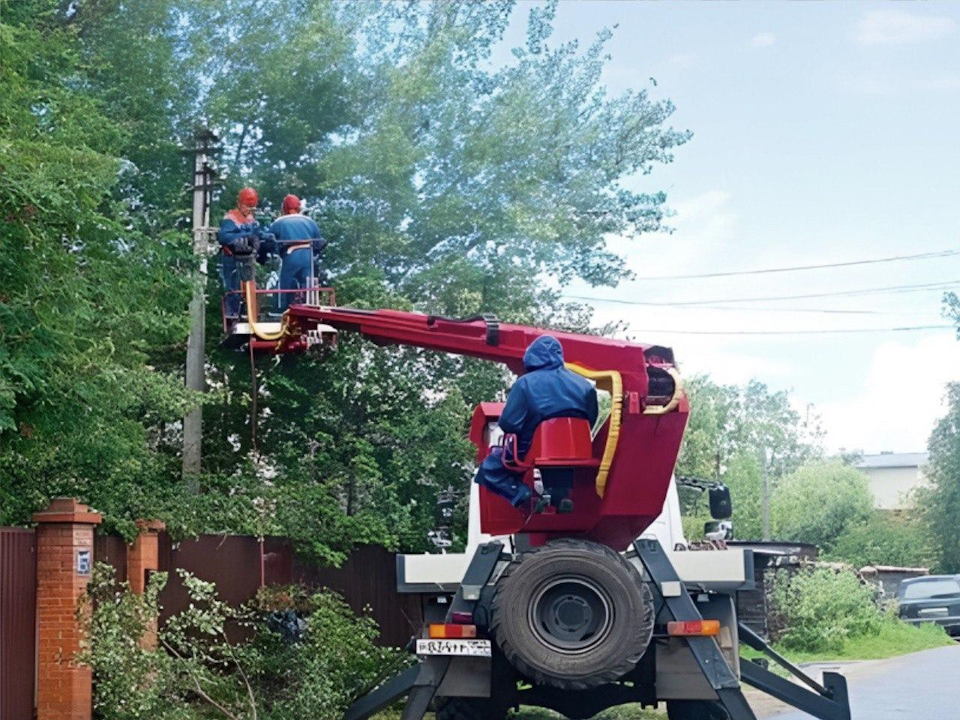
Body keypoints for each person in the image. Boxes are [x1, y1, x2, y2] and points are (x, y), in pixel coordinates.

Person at [475, 335, 599, 511]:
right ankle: (560, 499)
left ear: (532, 356)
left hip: (536, 447)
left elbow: (510, 423)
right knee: (560, 465)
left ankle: (524, 497)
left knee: (490, 468)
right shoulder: (585, 385)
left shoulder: (525, 383)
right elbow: (590, 418)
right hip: (578, 451)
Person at [266, 194, 327, 312]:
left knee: (285, 281)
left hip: (291, 255)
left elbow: (268, 241)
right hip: (307, 254)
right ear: (299, 208)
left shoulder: (279, 222)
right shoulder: (310, 221)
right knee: (308, 281)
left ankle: (282, 308)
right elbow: (319, 241)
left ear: (284, 208)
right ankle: (310, 306)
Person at [218, 187, 270, 319]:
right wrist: (247, 235)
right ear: (240, 204)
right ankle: (232, 313)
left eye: (253, 208)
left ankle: (249, 311)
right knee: (233, 287)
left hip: (247, 259)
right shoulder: (230, 219)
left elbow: (257, 234)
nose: (250, 210)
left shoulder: (252, 220)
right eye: (248, 207)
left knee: (249, 285)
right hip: (232, 259)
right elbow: (224, 237)